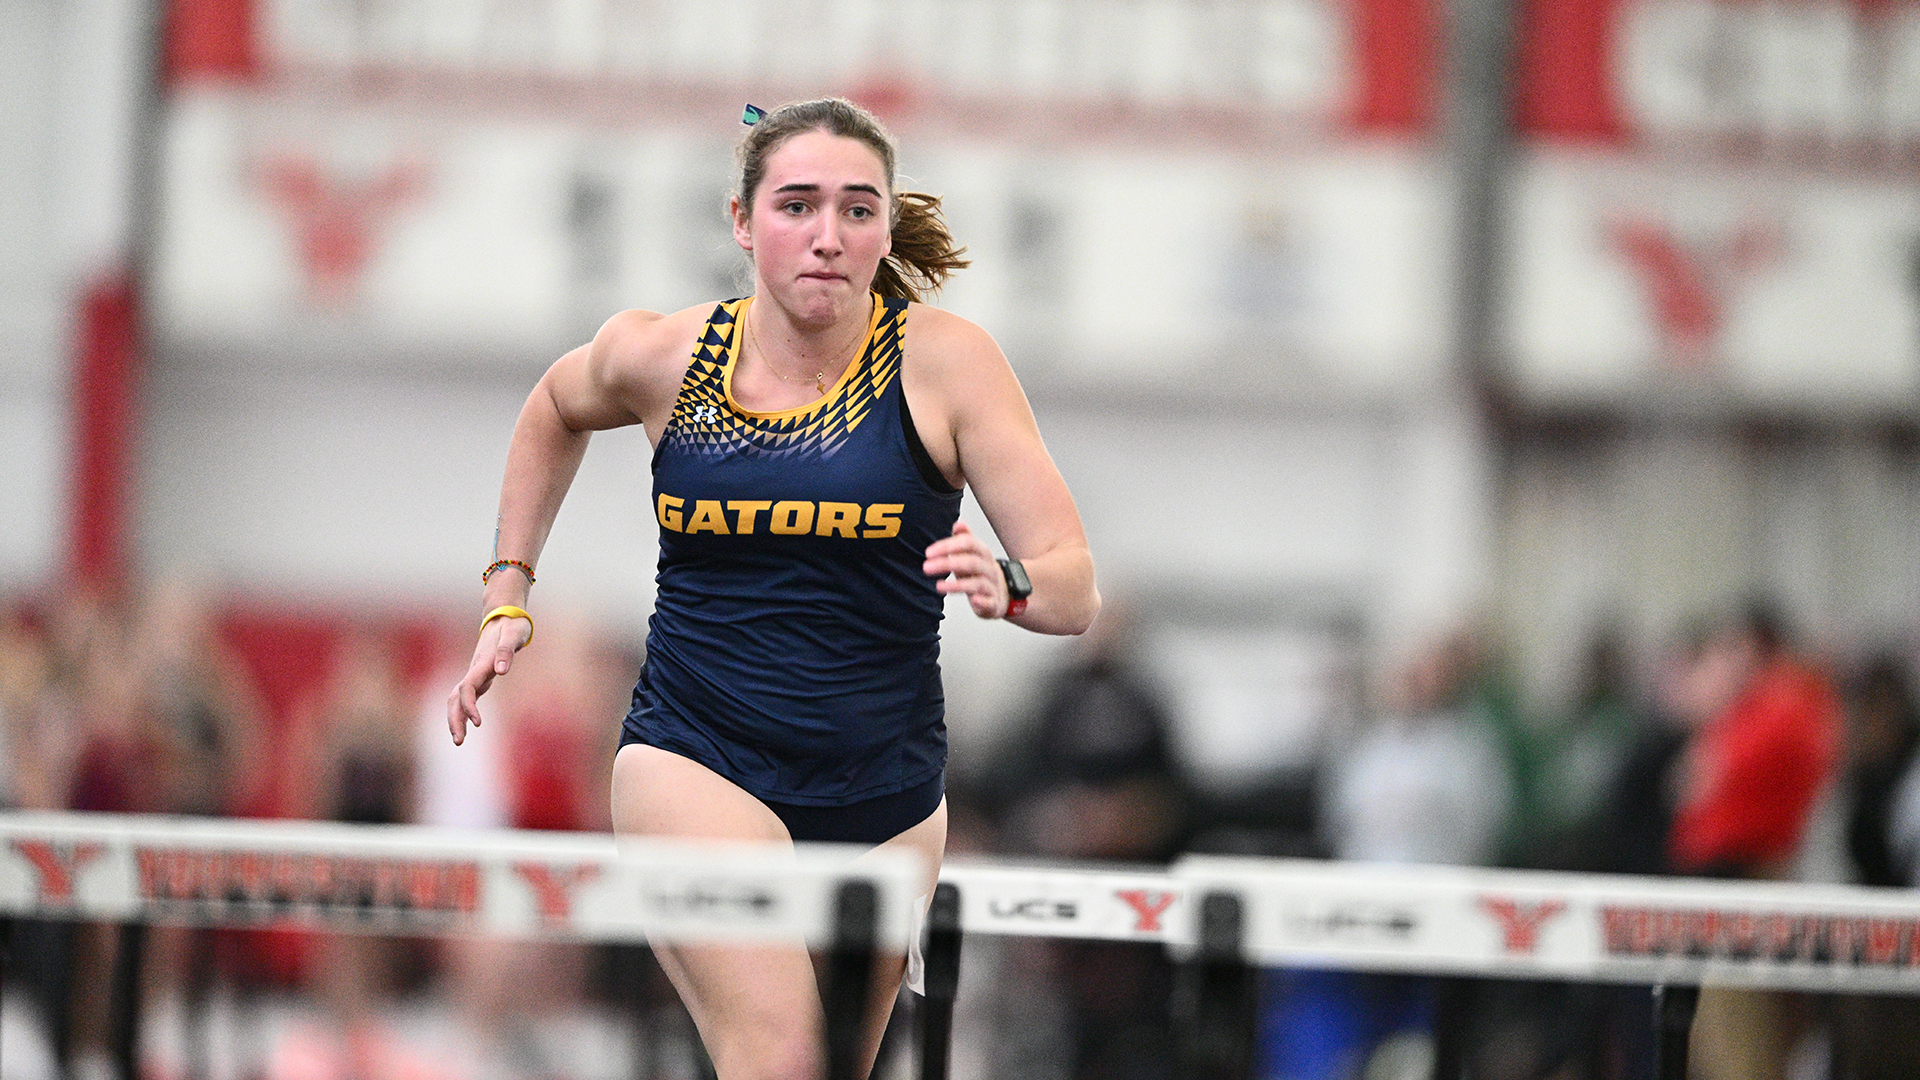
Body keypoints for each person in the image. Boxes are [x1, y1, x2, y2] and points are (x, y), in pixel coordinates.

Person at [446, 97, 1100, 1080]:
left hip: (886, 790)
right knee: (780, 1056)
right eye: (797, 206)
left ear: (886, 226)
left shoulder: (947, 367)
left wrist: (1005, 582)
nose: (828, 237)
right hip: (698, 757)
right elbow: (552, 409)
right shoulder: (664, 356)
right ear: (743, 222)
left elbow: (1073, 585)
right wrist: (507, 594)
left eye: (857, 210)